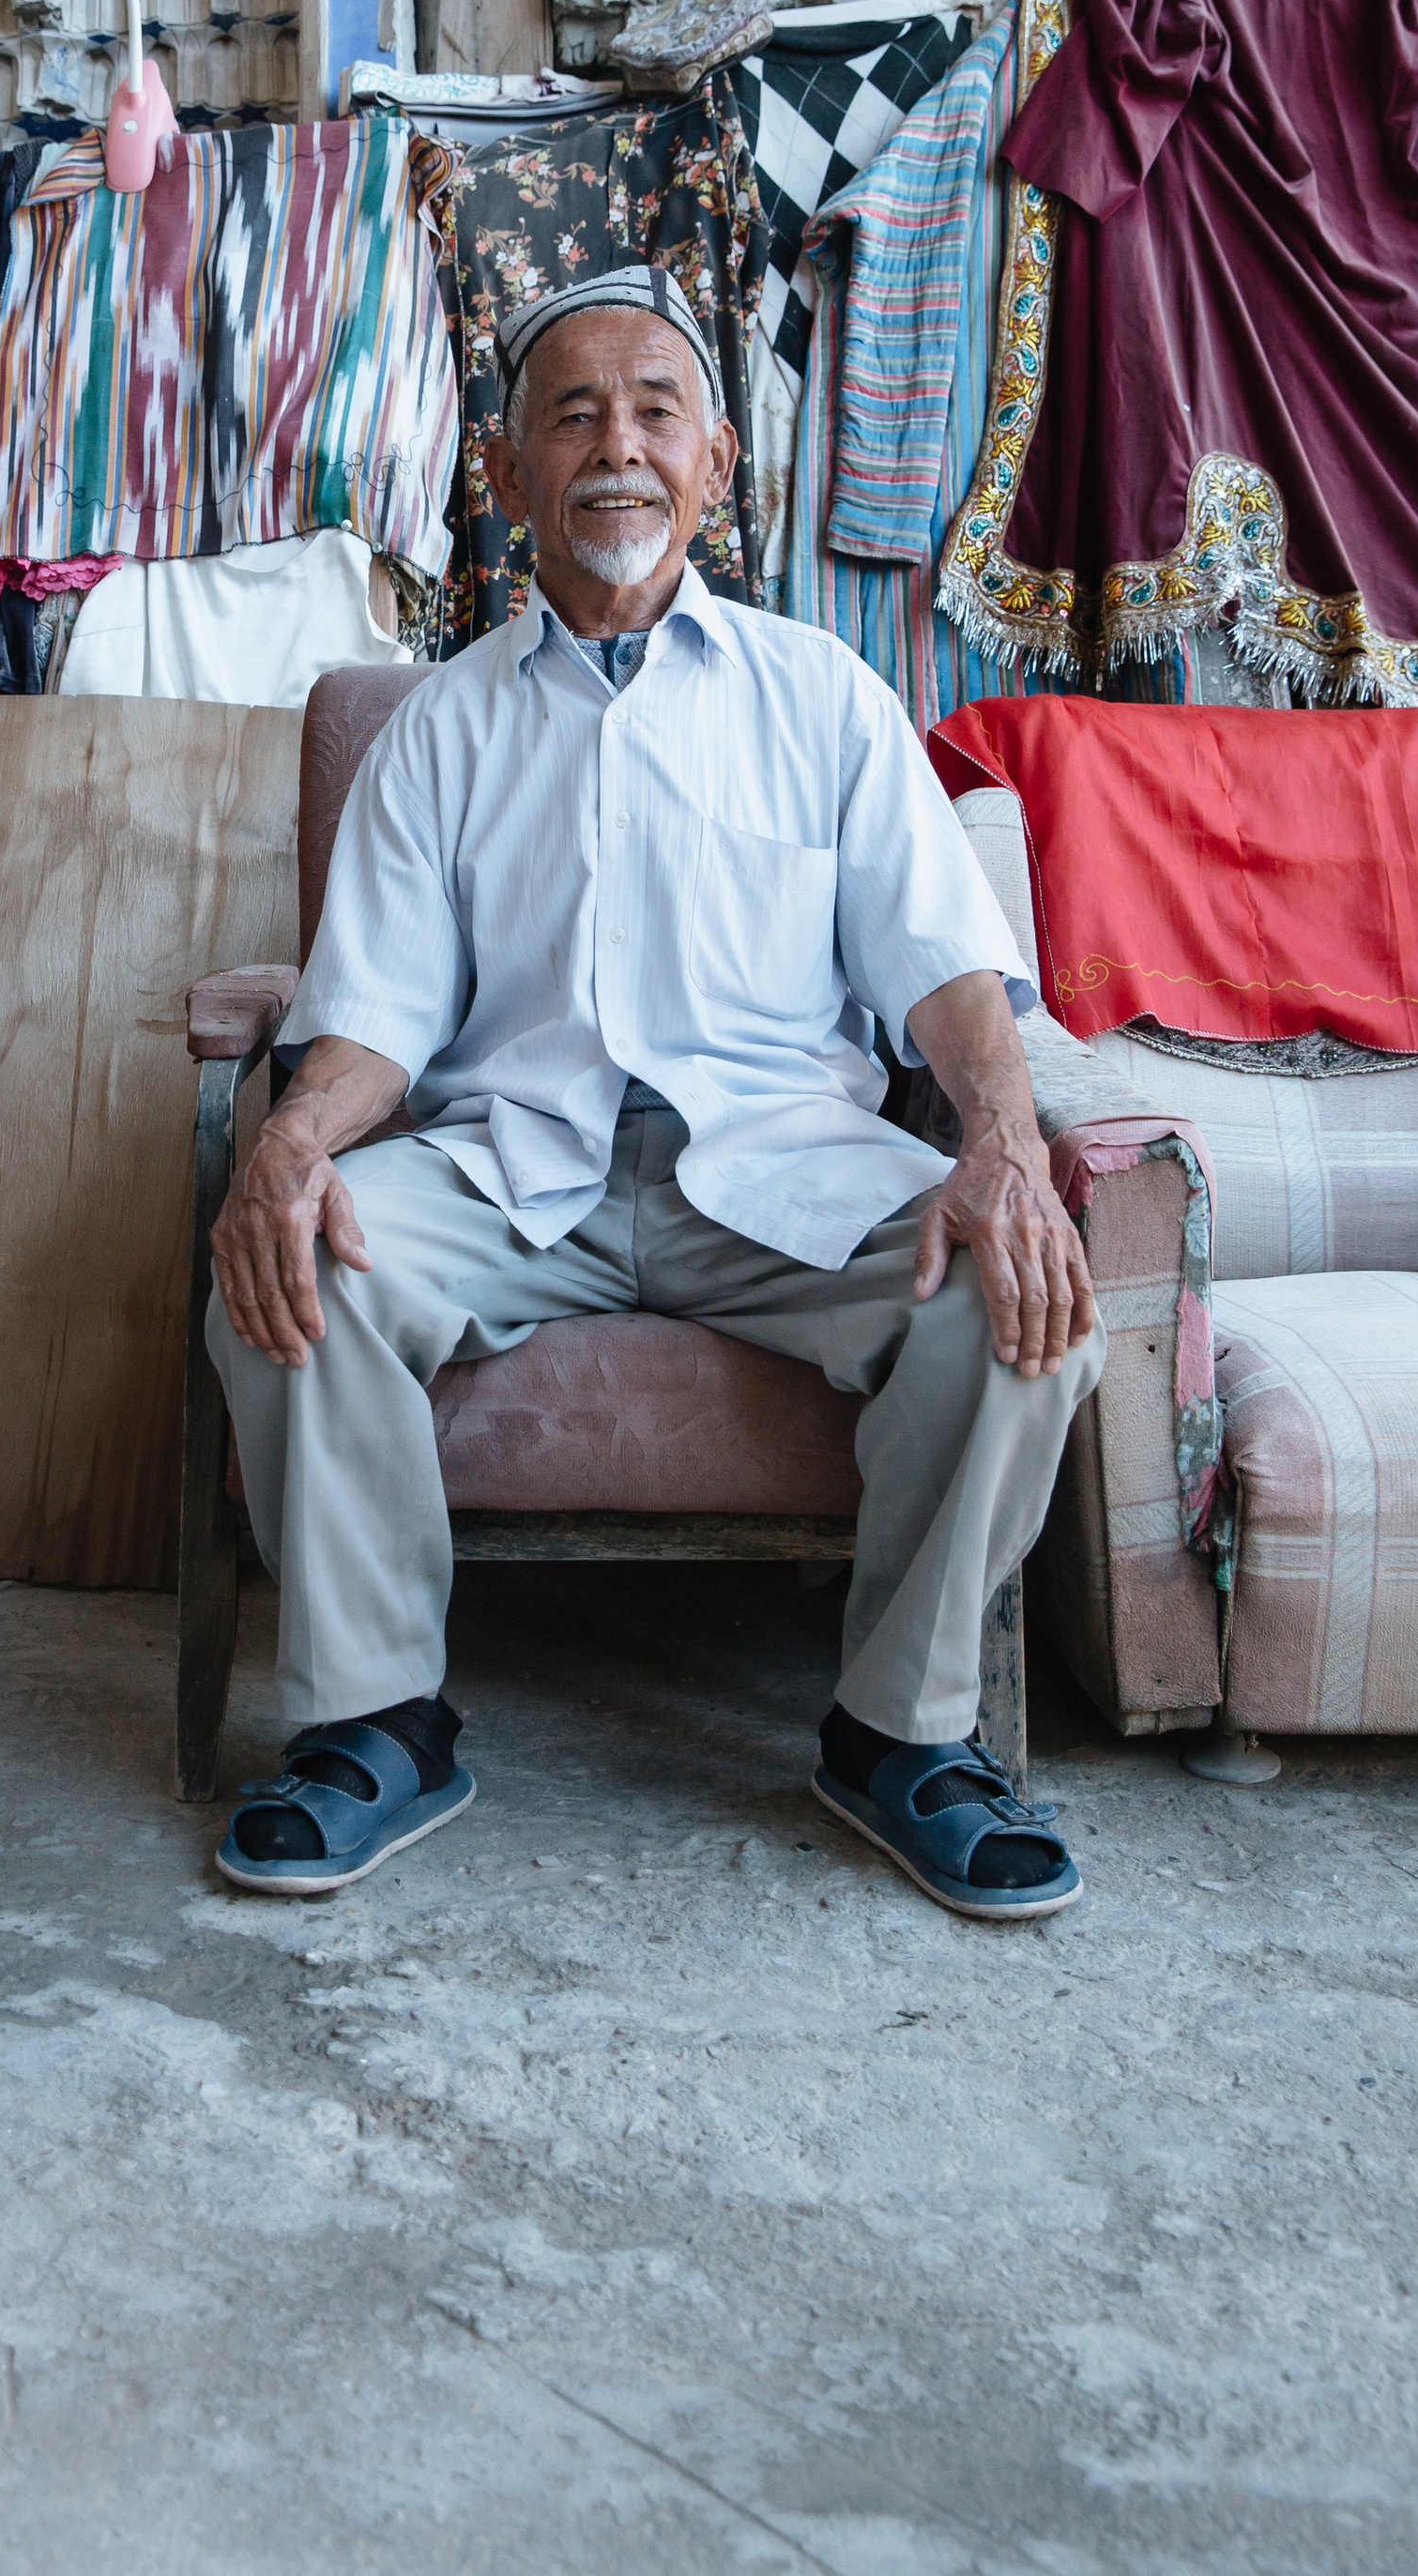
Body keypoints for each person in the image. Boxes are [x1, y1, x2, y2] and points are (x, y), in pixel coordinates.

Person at [204, 267, 1105, 1921]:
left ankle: (904, 1738)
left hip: (781, 1175)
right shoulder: (442, 725)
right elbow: (379, 1019)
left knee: (1019, 1290)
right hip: (510, 1171)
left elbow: (943, 972)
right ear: (512, 476)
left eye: (652, 412)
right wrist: (293, 1139)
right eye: (571, 415)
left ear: (718, 464)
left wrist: (1001, 1145)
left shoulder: (822, 697)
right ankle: (374, 1727)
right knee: (298, 1257)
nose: (614, 446)